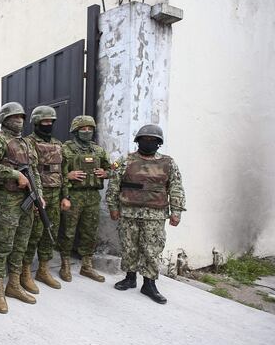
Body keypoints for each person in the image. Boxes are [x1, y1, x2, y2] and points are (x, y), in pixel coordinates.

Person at [106, 124, 186, 304]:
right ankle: (130, 277)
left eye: (152, 140)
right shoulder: (126, 161)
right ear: (138, 141)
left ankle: (149, 284)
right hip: (129, 212)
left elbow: (176, 188)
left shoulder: (168, 163)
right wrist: (113, 207)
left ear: (159, 143)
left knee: (152, 249)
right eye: (145, 139)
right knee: (129, 246)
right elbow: (114, 184)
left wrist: (177, 211)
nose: (148, 142)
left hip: (155, 214)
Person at [0, 102, 41, 312]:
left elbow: (34, 171)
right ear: (4, 119)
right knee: (3, 245)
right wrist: (15, 175)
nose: (19, 120)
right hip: (6, 199)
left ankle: (13, 284)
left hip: (27, 199)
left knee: (21, 244)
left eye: (21, 117)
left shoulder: (26, 143)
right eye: (14, 116)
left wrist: (38, 196)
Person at [21, 105, 71, 294]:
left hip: (55, 194)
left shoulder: (59, 144)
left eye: (51, 121)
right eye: (44, 122)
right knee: (33, 235)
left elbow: (63, 172)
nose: (48, 124)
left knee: (50, 234)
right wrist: (33, 196)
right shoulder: (27, 143)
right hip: (36, 196)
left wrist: (65, 196)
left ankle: (43, 269)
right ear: (36, 122)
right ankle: (25, 272)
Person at [59, 115, 110, 282]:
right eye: (83, 129)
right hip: (73, 196)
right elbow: (56, 174)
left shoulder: (98, 150)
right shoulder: (65, 149)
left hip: (92, 197)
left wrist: (105, 173)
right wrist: (68, 176)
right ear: (75, 130)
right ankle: (65, 263)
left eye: (89, 129)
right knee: (68, 231)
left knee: (90, 232)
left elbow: (110, 169)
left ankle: (87, 266)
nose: (87, 131)